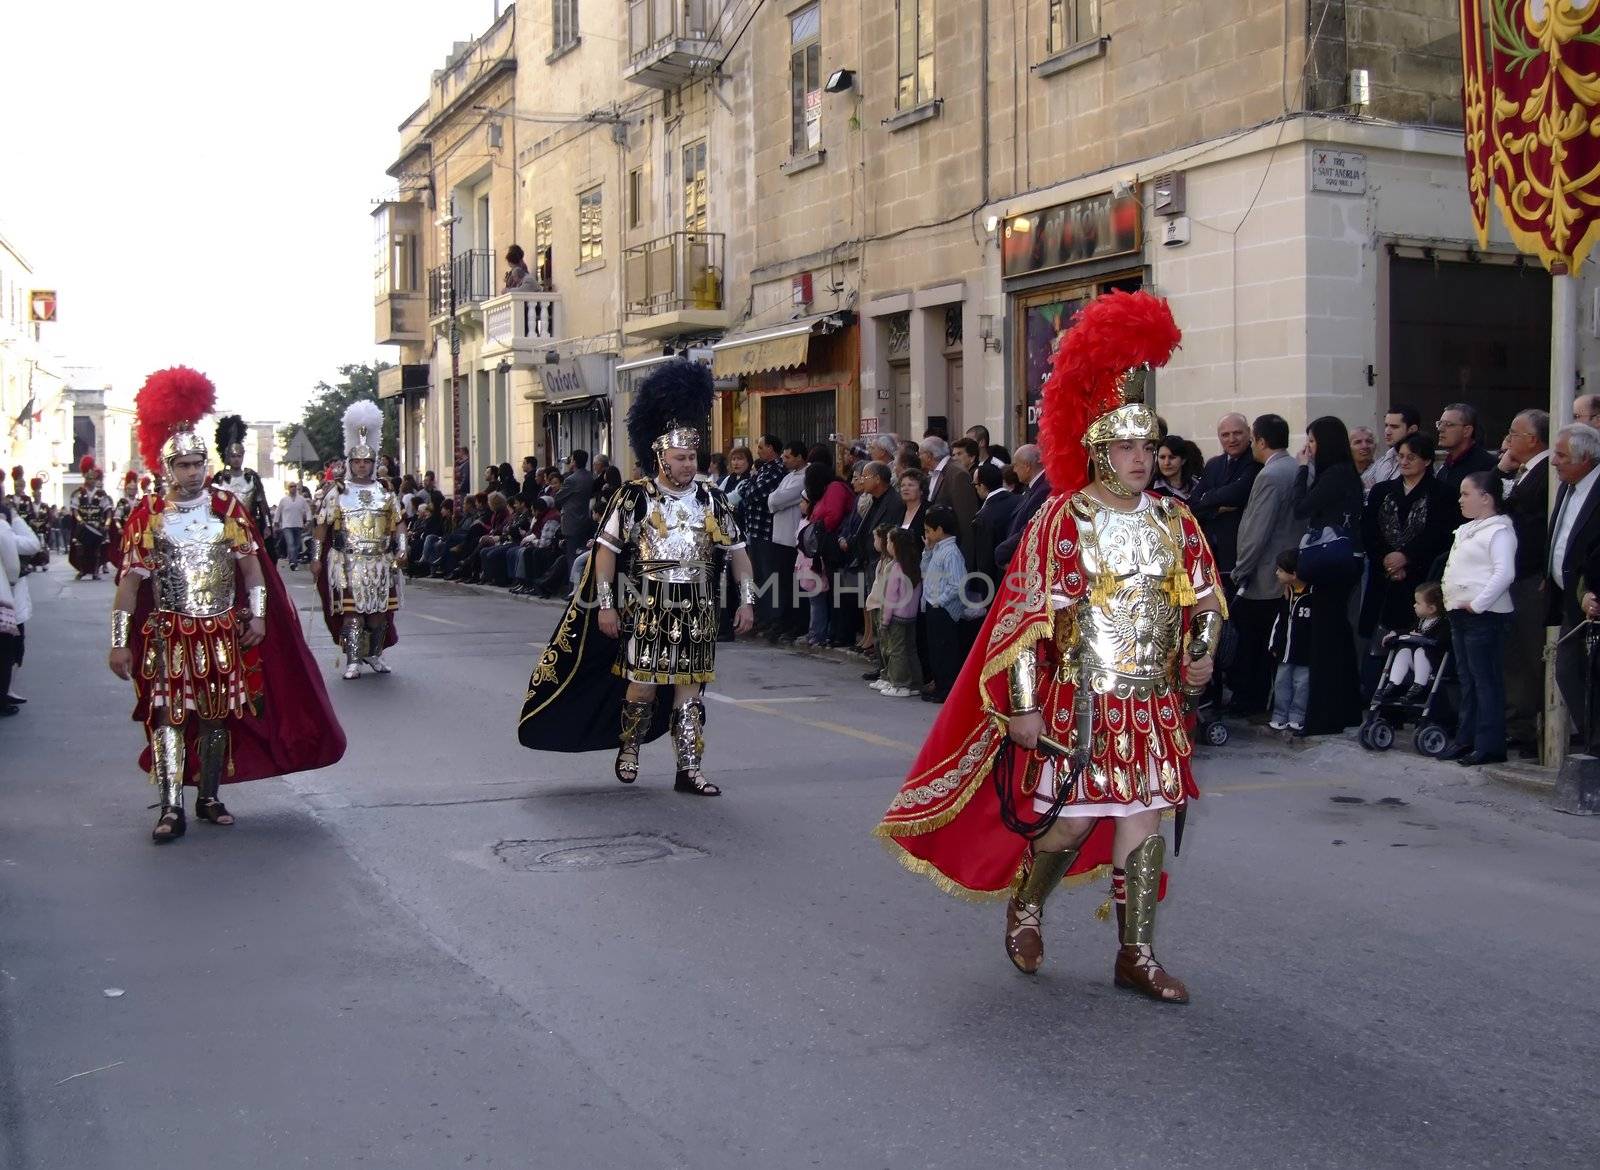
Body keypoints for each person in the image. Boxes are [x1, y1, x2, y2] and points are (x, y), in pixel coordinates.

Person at [878, 290, 1223, 1004]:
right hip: (1083, 698)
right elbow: (1030, 620)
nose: (1139, 458)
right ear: (1097, 449)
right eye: (1124, 446)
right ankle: (1028, 905)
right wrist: (1026, 710)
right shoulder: (1067, 518)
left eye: (1147, 446)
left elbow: (1204, 599)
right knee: (1066, 824)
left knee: (1144, 822)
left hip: (1152, 699)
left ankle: (1137, 954)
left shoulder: (1175, 519)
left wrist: (1203, 649)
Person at [109, 365, 344, 842]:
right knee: (169, 717)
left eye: (198, 463)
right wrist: (118, 642)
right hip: (170, 632)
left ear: (206, 465)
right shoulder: (148, 516)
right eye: (183, 465)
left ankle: (209, 796)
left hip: (219, 631)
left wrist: (258, 615)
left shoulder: (227, 509)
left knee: (216, 716)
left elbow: (253, 568)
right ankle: (171, 805)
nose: (192, 472)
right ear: (167, 468)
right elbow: (131, 584)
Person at [518, 359, 756, 797]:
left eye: (693, 457)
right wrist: (606, 605)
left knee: (691, 691)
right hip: (648, 603)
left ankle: (689, 770)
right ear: (660, 456)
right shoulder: (633, 498)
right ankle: (629, 747)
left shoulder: (713, 499)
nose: (689, 465)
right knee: (642, 686)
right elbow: (605, 554)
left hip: (699, 605)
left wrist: (746, 600)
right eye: (681, 458)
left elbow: (738, 552)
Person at [312, 401, 406, 680]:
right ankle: (353, 659)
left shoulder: (386, 492)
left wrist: (402, 549)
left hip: (379, 561)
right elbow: (321, 526)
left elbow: (399, 523)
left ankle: (374, 654)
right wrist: (316, 558)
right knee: (353, 615)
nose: (362, 466)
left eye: (366, 461)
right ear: (350, 463)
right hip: (348, 561)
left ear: (374, 463)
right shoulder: (337, 492)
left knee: (378, 614)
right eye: (357, 462)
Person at [1291, 416, 1365, 735]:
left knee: (1325, 639)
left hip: (1332, 564)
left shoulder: (1335, 474)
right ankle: (1346, 710)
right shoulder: (1346, 473)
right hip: (1344, 561)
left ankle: (1323, 717)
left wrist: (1301, 470)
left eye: (1313, 441)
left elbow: (1300, 507)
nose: (1309, 447)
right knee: (1338, 635)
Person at [1358, 433, 1454, 681]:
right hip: (1384, 574)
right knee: (1380, 636)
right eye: (1400, 456)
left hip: (1420, 574)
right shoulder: (1382, 491)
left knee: (1417, 639)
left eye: (1411, 457)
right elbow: (1368, 530)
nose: (1404, 462)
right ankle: (1376, 693)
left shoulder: (1441, 493)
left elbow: (1439, 534)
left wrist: (1406, 557)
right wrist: (1387, 559)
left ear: (1427, 461)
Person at [1441, 471, 1518, 766]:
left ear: (1486, 498)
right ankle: (1466, 738)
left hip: (1483, 616)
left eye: (1466, 493)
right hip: (1461, 613)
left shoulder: (1499, 531)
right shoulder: (1469, 529)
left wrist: (1479, 604)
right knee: (1468, 680)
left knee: (1486, 681)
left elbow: (1504, 572)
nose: (1460, 499)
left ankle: (1489, 745)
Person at [1228, 414, 1299, 716]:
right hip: (1283, 569)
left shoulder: (1270, 475)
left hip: (1265, 575)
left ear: (1260, 441)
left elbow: (1258, 528)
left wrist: (1241, 568)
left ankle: (1251, 701)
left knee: (1254, 643)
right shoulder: (1295, 467)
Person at [1495, 410, 1550, 751]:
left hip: (1531, 575)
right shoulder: (1521, 472)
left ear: (1532, 439)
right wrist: (1500, 471)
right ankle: (1519, 724)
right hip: (1513, 576)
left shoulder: (1545, 473)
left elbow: (1529, 519)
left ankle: (1537, 726)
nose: (1509, 438)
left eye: (1514, 433)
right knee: (1513, 656)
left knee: (1532, 655)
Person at [1547, 423, 1600, 753]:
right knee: (1568, 673)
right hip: (1569, 601)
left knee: (1591, 680)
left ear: (1586, 459)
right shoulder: (1569, 485)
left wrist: (1591, 591)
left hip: (1592, 598)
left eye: (1562, 455)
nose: (1554, 461)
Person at [919, 504, 980, 702]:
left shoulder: (951, 552)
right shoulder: (937, 549)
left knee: (945, 651)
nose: (926, 534)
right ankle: (939, 684)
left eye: (929, 530)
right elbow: (925, 571)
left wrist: (939, 601)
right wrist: (927, 552)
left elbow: (957, 584)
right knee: (935, 650)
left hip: (943, 608)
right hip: (933, 604)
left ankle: (946, 689)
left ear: (940, 530)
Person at [1188, 412, 1261, 578]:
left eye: (1237, 433)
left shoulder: (1256, 461)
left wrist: (1207, 497)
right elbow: (1193, 505)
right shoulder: (1214, 465)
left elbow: (1237, 494)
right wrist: (1216, 509)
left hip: (1240, 550)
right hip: (1211, 552)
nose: (1231, 439)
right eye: (1225, 435)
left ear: (1249, 432)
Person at [1374, 581, 1449, 706]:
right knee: (1404, 651)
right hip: (1416, 661)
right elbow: (1409, 631)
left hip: (1431, 662)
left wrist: (1424, 637)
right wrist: (1395, 633)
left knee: (1420, 651)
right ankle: (1394, 684)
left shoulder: (1443, 624)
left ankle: (1419, 687)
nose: (1414, 605)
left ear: (1431, 608)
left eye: (1418, 603)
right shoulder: (1421, 621)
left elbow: (1442, 641)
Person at [211, 414, 275, 560]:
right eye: (233, 456)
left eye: (239, 456)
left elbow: (262, 505)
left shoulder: (251, 477)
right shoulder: (220, 478)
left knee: (254, 560)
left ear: (243, 456)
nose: (236, 459)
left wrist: (266, 526)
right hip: (226, 527)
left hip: (250, 525)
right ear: (228, 457)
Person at [0, 498, 42, 712]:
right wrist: (14, 517)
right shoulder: (4, 523)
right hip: (6, 596)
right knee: (9, 647)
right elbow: (30, 546)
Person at [1267, 548, 1314, 735]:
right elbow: (1279, 621)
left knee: (1302, 685)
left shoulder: (1313, 596)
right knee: (1281, 683)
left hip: (1305, 653)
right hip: (1285, 652)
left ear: (1293, 574)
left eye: (1280, 570)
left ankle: (1297, 717)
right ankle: (1279, 717)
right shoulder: (1287, 594)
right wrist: (1274, 644)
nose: (1276, 573)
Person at [873, 526, 923, 698]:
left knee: (897, 651)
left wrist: (884, 621)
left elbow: (891, 598)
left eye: (888, 541)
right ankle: (916, 683)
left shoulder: (896, 568)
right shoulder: (914, 566)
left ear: (895, 546)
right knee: (910, 649)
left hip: (896, 617)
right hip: (911, 616)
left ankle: (900, 684)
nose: (887, 544)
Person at [765, 442, 808, 641]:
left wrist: (775, 499)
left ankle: (795, 624)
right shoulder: (788, 476)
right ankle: (782, 621)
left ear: (800, 457)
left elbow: (778, 500)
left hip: (792, 538)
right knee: (781, 584)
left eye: (789, 457)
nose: (785, 460)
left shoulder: (804, 478)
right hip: (779, 536)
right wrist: (775, 499)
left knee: (792, 586)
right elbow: (772, 499)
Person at [919, 436, 978, 561]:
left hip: (953, 553)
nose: (918, 457)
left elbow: (966, 519)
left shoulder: (957, 474)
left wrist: (965, 558)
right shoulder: (934, 474)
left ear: (929, 456)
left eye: (920, 454)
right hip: (938, 550)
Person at [994, 443, 1049, 569]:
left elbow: (1030, 529)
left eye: (1016, 465)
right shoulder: (1034, 488)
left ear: (1027, 466)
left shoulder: (1043, 490)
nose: (1014, 470)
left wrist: (1002, 551)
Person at [971, 462, 1020, 597]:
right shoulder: (1019, 500)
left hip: (996, 584)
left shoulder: (984, 516)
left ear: (982, 486)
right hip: (1020, 572)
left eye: (975, 485)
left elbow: (984, 560)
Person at [1436, 402, 1498, 503]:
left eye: (1448, 424)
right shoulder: (1446, 466)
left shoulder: (1486, 466)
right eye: (1439, 423)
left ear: (1467, 431)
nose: (1440, 429)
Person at [69, 456, 115, 579]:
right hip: (83, 526)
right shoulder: (78, 493)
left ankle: (95, 571)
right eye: (89, 478)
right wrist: (80, 521)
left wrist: (106, 524)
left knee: (97, 549)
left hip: (97, 526)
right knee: (80, 547)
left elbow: (108, 511)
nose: (91, 481)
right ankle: (82, 570)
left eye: (93, 478)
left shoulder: (101, 494)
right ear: (85, 477)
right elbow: (75, 510)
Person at [554, 449, 595, 578]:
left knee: (572, 556)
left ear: (574, 461)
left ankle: (573, 588)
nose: (569, 462)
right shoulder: (589, 476)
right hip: (584, 519)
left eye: (571, 460)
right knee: (580, 554)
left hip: (572, 521)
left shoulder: (571, 479)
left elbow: (558, 497)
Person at [1152, 433, 1203, 500]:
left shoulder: (1197, 485)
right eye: (1162, 457)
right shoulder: (1151, 489)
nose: (1166, 463)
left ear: (1183, 460)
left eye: (1172, 457)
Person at [276, 482, 311, 569]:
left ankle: (294, 560)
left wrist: (308, 520)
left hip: (298, 525)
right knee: (290, 543)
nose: (293, 488)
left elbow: (308, 510)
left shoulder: (301, 499)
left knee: (297, 544)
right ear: (288, 488)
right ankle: (293, 562)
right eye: (291, 486)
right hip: (287, 525)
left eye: (295, 486)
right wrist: (276, 521)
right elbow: (278, 511)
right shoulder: (284, 500)